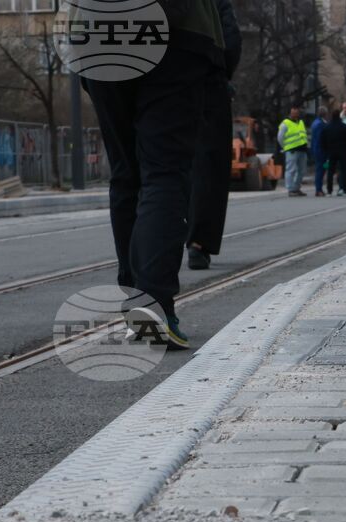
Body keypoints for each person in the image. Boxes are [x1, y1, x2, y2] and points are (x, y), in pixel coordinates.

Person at [83, 0, 224, 350]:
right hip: (178, 32)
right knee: (164, 172)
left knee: (125, 174)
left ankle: (138, 304)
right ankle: (153, 304)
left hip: (98, 29)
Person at [186, 0, 242, 271]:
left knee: (158, 165)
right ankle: (198, 242)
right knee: (209, 164)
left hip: (161, 87)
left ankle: (149, 244)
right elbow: (231, 40)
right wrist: (222, 71)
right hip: (208, 81)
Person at [321, 110, 346, 196]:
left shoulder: (327, 127)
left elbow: (323, 140)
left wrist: (326, 150)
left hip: (331, 152)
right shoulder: (344, 126)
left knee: (330, 171)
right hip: (342, 151)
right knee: (344, 170)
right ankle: (345, 189)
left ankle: (329, 190)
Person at [278, 105, 309, 196]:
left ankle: (296, 188)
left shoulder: (301, 122)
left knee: (302, 170)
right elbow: (280, 137)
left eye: (296, 112)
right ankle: (291, 189)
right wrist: (285, 147)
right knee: (291, 170)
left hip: (302, 149)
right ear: (290, 113)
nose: (295, 114)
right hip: (292, 150)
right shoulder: (285, 123)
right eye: (293, 112)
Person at [310, 106, 329, 197]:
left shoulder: (315, 123)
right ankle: (318, 189)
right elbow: (321, 138)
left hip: (317, 150)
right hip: (321, 151)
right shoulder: (321, 124)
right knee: (320, 170)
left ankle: (319, 188)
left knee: (321, 169)